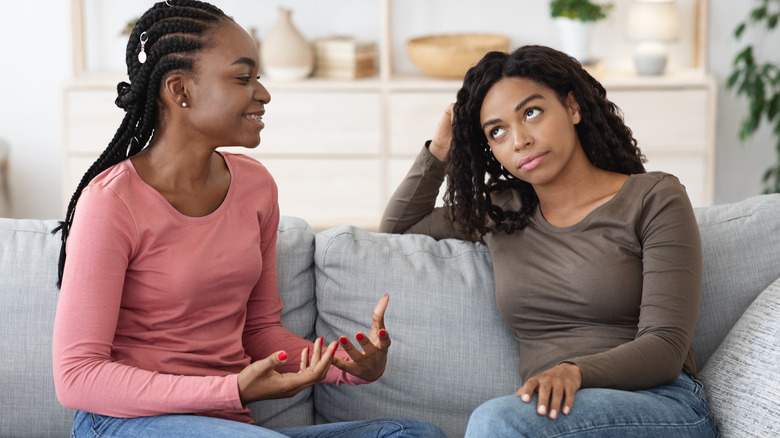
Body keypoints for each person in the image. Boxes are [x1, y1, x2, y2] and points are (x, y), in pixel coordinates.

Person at [51, 1, 445, 437]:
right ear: (179, 89)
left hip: (229, 426)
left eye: (258, 77)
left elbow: (259, 330)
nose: (263, 93)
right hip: (126, 423)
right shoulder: (111, 202)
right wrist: (229, 390)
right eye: (243, 78)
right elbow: (77, 378)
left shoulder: (255, 186)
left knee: (412, 434)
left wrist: (346, 364)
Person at [380, 45, 718, 437]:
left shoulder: (654, 197)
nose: (519, 139)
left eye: (532, 112)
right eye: (497, 131)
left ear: (573, 108)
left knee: (495, 421)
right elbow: (398, 231)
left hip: (661, 404)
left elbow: (666, 347)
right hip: (551, 415)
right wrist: (440, 151)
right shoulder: (503, 211)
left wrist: (573, 372)